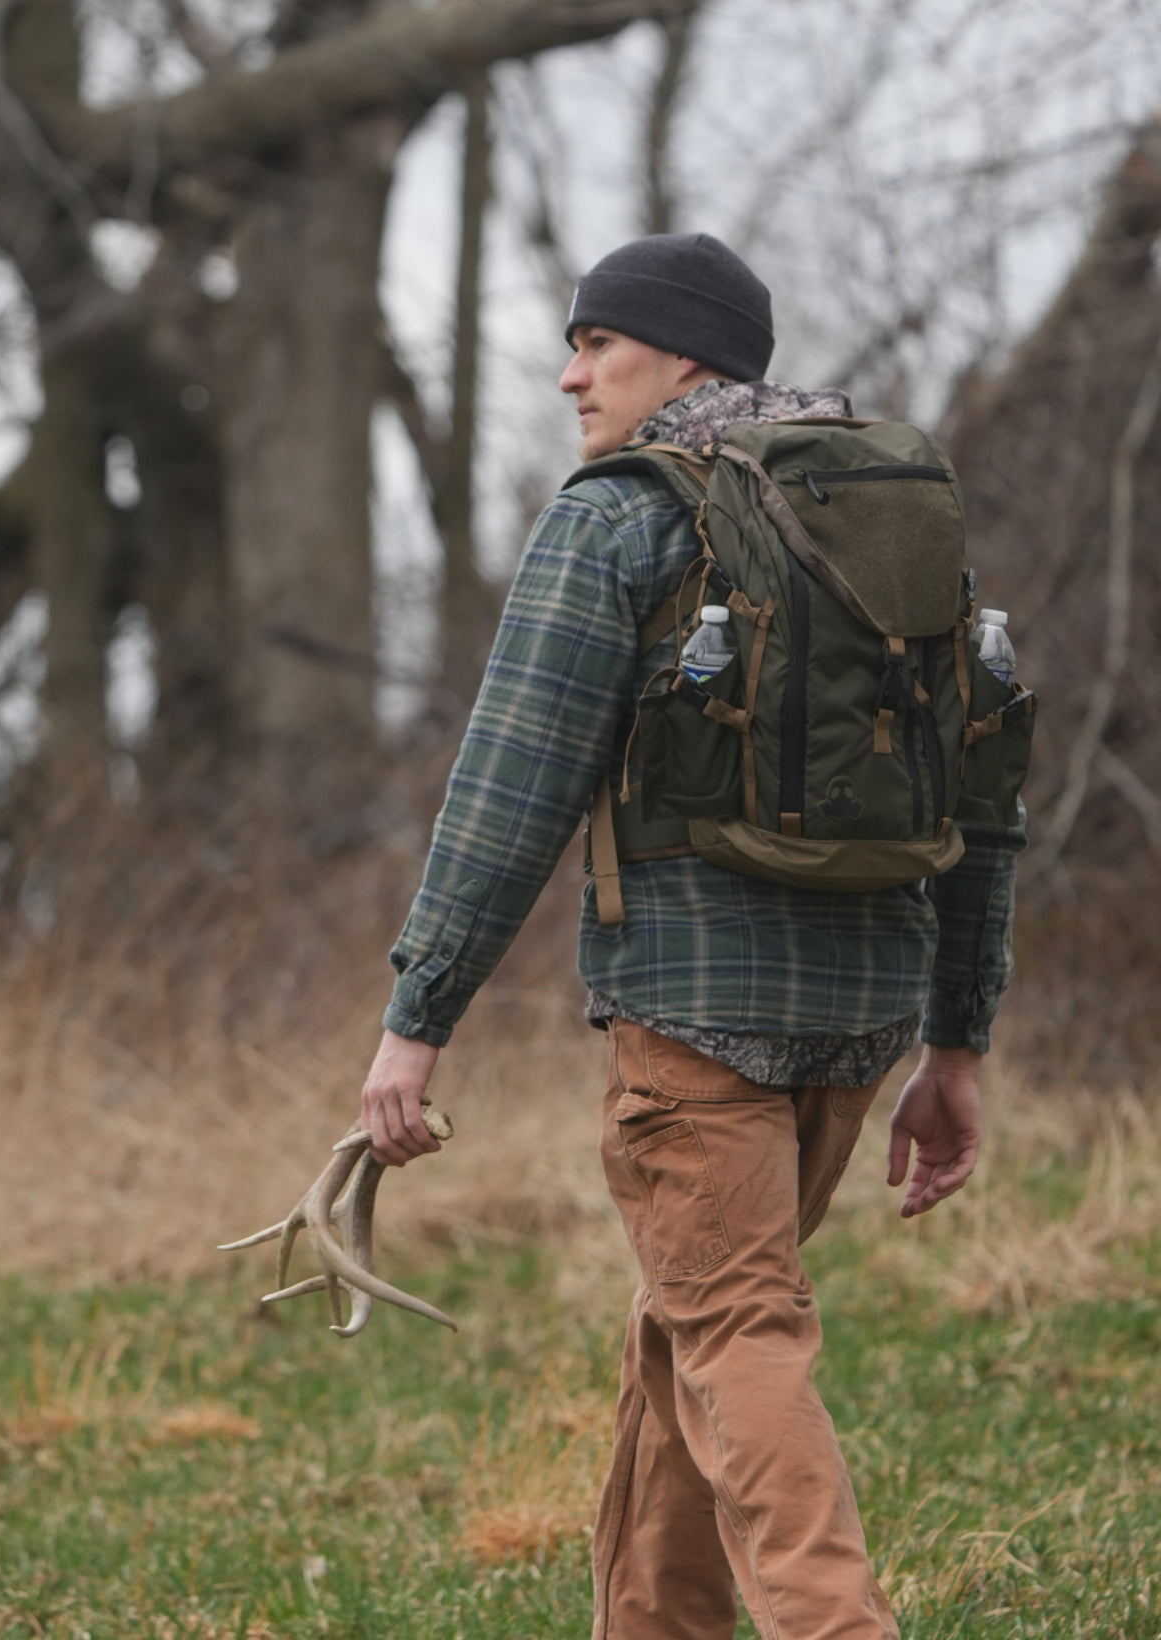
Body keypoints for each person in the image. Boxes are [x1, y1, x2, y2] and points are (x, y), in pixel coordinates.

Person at [356, 233, 1025, 1640]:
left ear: (686, 362)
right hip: (864, 1017)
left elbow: (512, 780)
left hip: (695, 1013)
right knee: (692, 1330)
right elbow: (986, 791)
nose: (568, 373)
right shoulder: (888, 511)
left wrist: (416, 1020)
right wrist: (956, 1041)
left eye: (598, 344)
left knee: (735, 1333)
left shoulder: (619, 515)